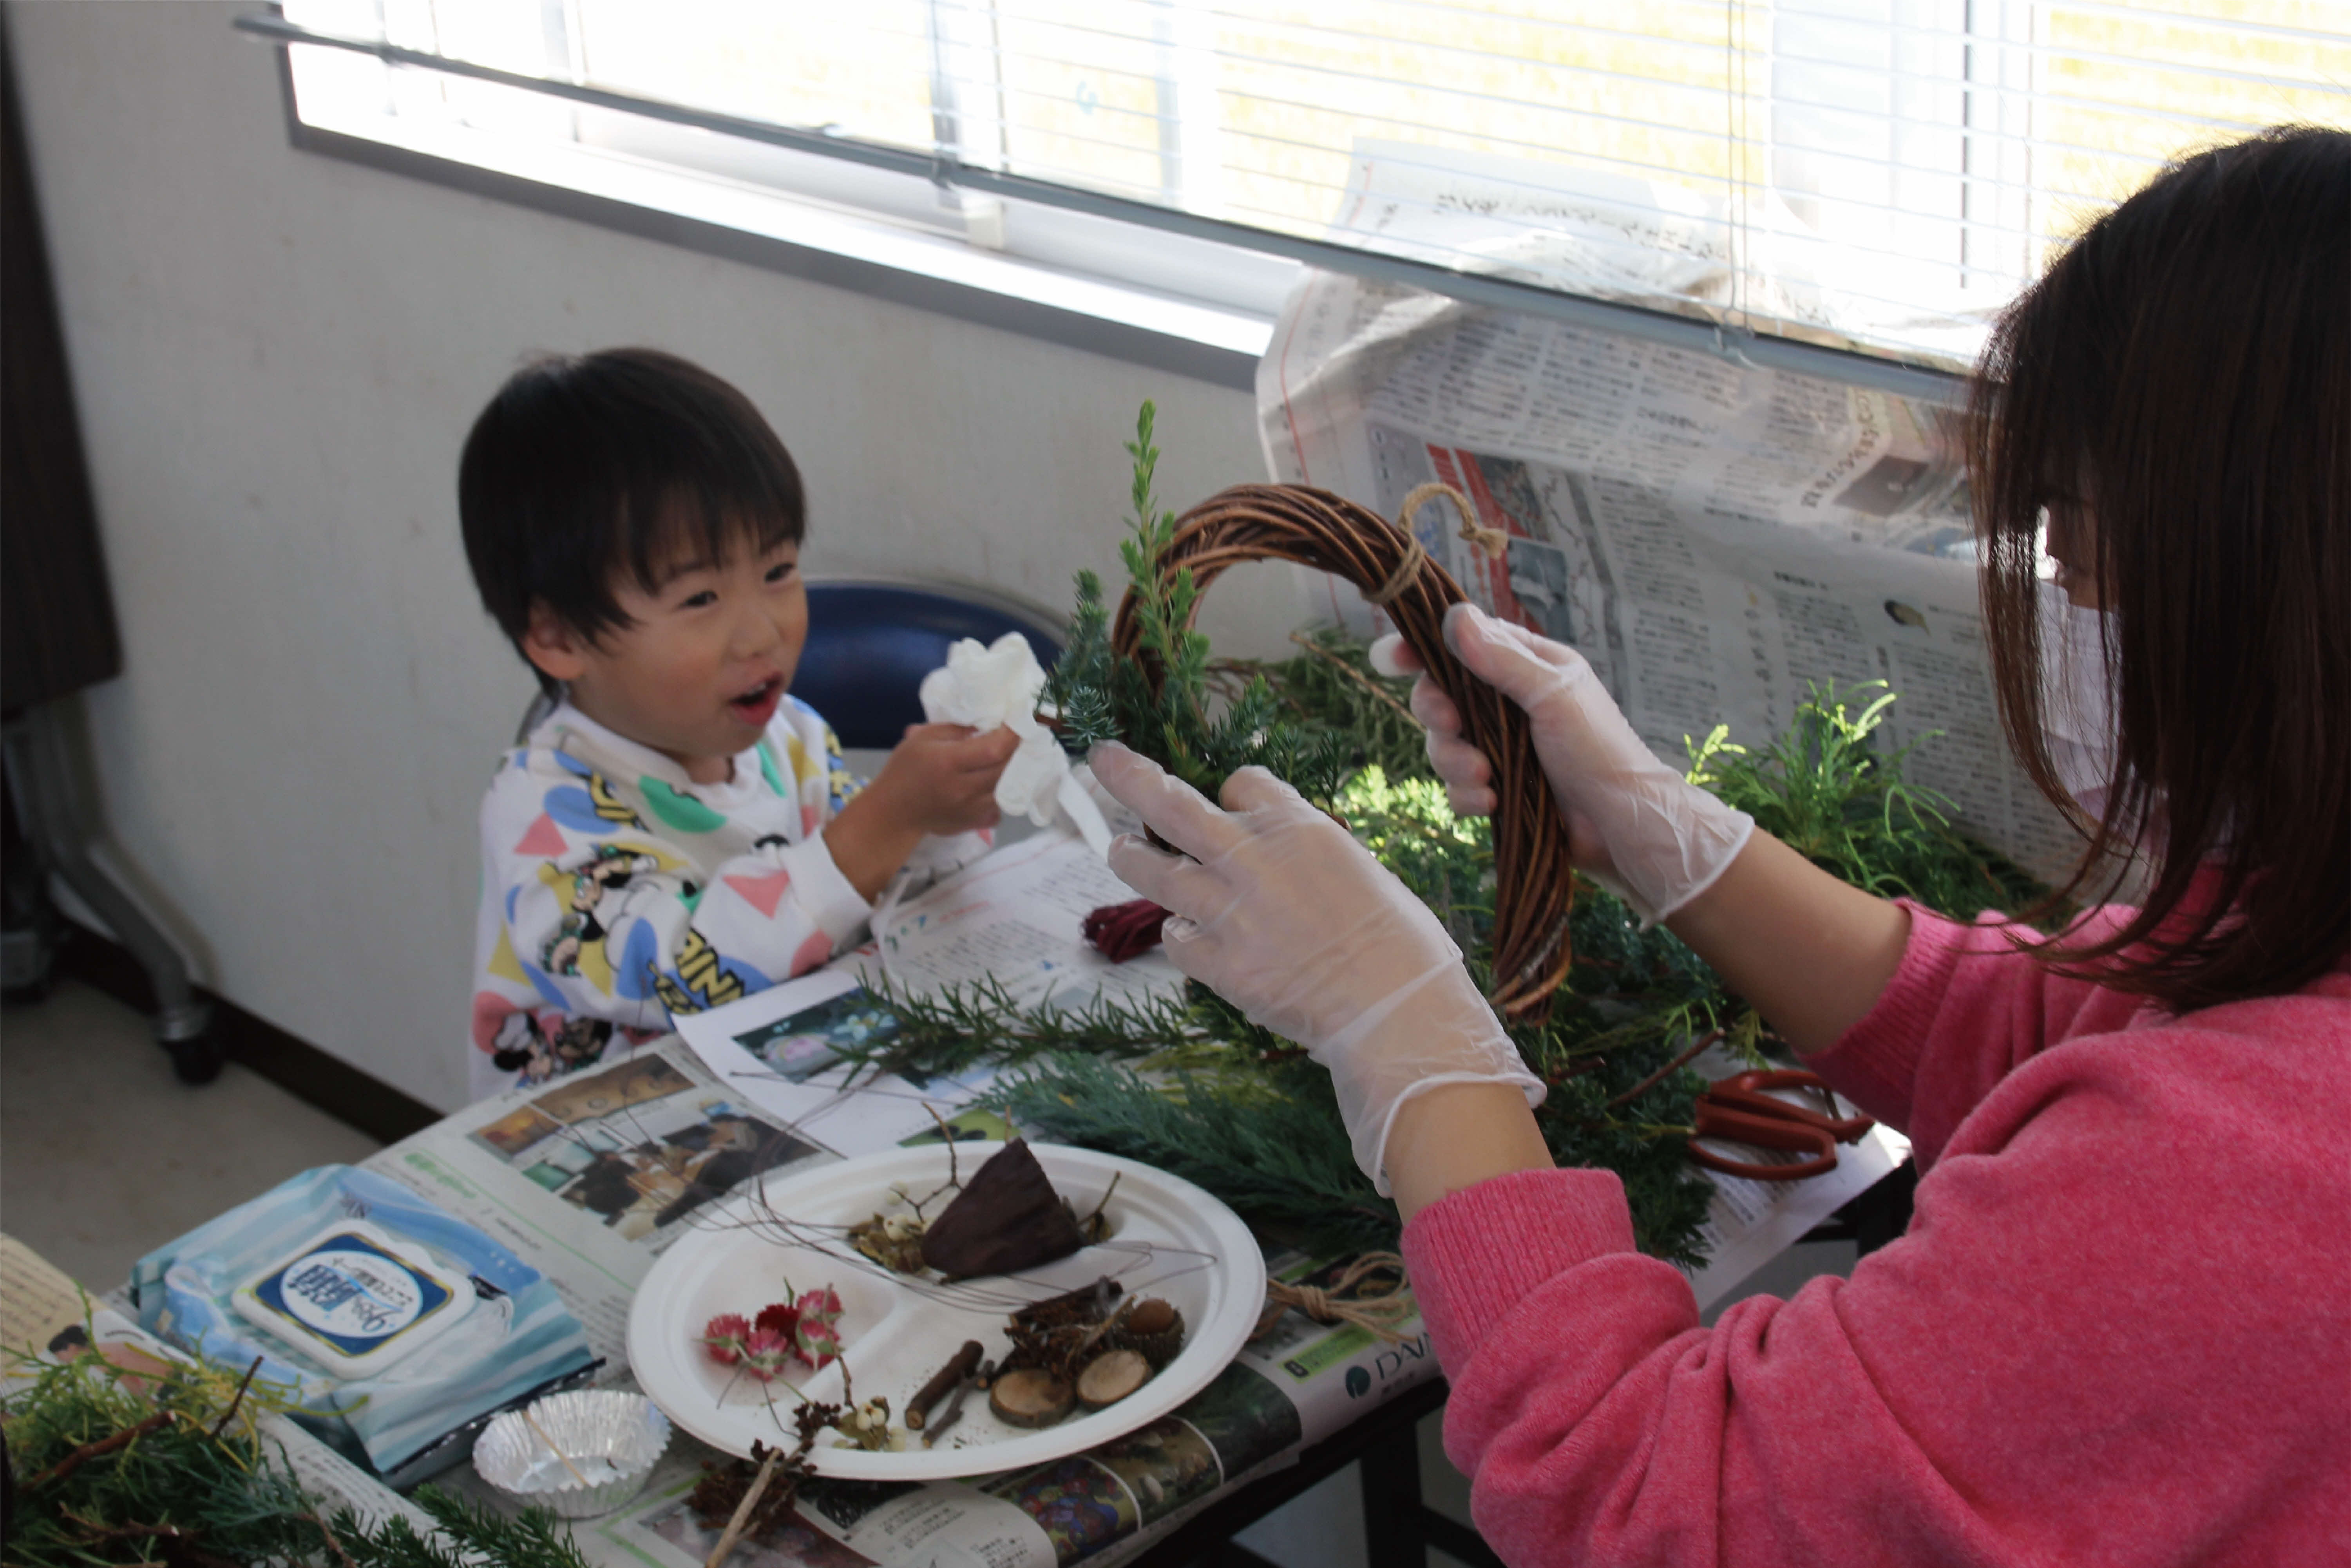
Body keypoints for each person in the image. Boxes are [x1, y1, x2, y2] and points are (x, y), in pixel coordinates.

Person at [1092, 126, 2349, 1563]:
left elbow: (1648, 1499)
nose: (2055, 598)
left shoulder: (2251, 1190)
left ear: (2263, 578)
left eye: (2070, 550)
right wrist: (1661, 833)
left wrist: (1410, 1041)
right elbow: (2064, 1030)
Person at [458, 349, 1018, 1101]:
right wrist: (889, 818)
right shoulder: (543, 807)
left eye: (779, 572)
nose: (762, 633)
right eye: (699, 600)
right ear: (559, 637)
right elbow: (677, 971)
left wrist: (944, 814)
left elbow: (877, 899)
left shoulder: (793, 739)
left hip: (795, 1087)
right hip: (619, 1139)